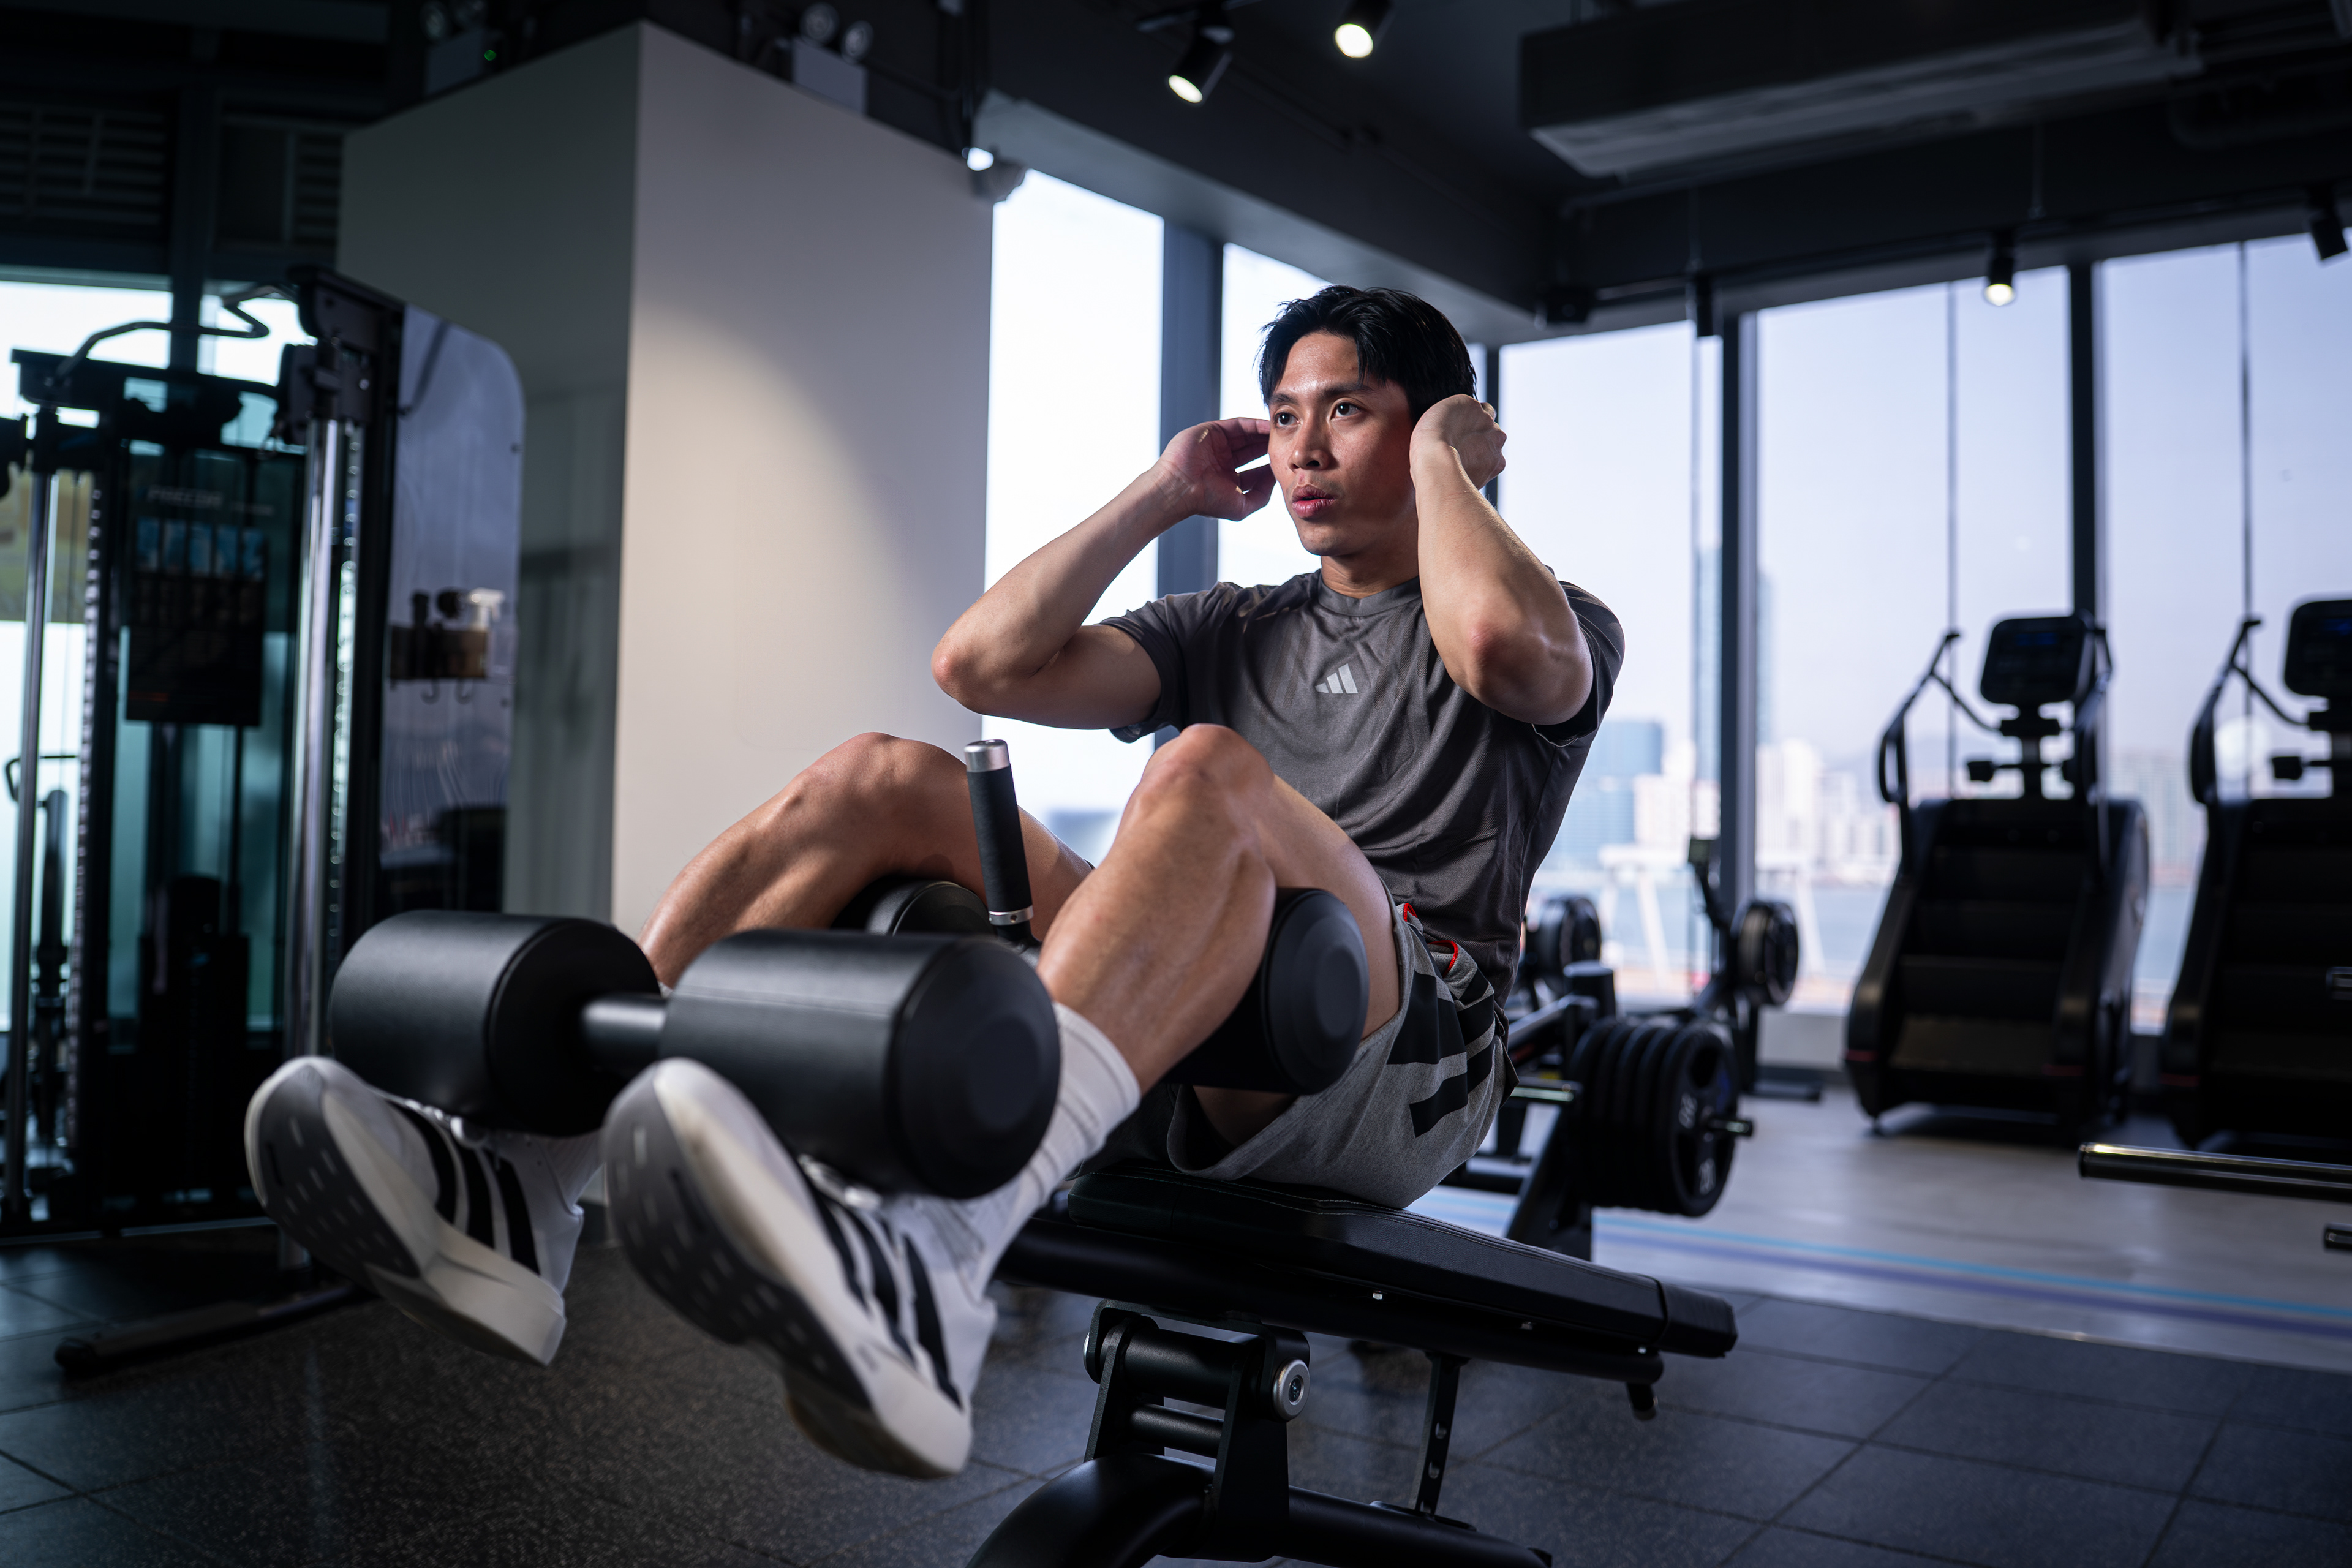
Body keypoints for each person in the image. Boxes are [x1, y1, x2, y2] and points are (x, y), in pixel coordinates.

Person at [246, 285, 1621, 1482]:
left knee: (1204, 769)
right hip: (1208, 1012)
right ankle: (536, 1174)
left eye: (1349, 412)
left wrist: (1446, 466)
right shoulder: (1234, 625)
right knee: (881, 776)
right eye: (1283, 414)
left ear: (1439, 428)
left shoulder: (1554, 619)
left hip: (1400, 1048)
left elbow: (1499, 645)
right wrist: (1163, 493)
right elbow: (981, 663)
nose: (1302, 447)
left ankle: (943, 1257)